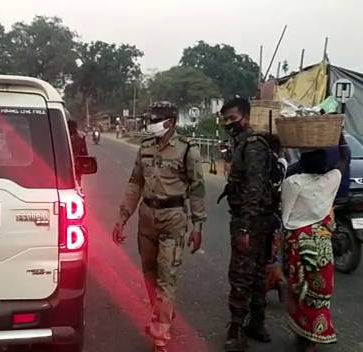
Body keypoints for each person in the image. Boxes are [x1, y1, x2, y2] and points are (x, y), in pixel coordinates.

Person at [111, 101, 206, 352]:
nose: (152, 124)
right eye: (151, 119)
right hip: (147, 217)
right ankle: (163, 313)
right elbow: (134, 185)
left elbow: (197, 189)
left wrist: (198, 225)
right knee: (149, 274)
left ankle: (160, 336)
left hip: (173, 217)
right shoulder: (144, 149)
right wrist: (122, 218)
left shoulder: (188, 151)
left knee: (167, 277)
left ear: (171, 122)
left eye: (157, 119)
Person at [220, 98, 277, 351]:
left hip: (251, 222)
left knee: (242, 275)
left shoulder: (252, 146)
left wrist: (244, 227)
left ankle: (237, 330)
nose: (229, 124)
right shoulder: (243, 143)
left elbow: (254, 189)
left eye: (232, 118)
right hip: (259, 220)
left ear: (245, 116)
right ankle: (257, 323)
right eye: (225, 120)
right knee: (256, 274)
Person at [281, 149, 340, 351]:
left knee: (298, 287)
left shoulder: (293, 183)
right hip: (322, 243)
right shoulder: (332, 179)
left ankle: (303, 333)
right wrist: (339, 138)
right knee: (320, 292)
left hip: (299, 241)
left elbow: (286, 216)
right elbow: (343, 160)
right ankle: (313, 338)